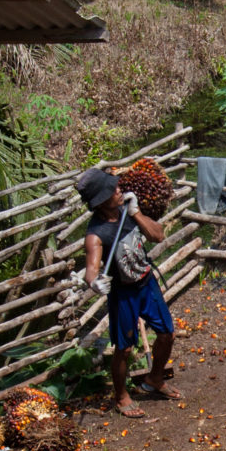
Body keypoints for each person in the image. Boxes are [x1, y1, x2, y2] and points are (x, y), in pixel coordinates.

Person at [78, 166, 178, 416]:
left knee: (167, 334)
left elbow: (158, 235)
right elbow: (91, 269)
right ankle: (121, 395)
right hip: (123, 294)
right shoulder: (95, 234)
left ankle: (155, 378)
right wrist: (94, 283)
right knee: (123, 348)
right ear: (101, 200)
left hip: (146, 283)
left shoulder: (128, 210)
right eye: (114, 190)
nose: (119, 190)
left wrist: (136, 213)